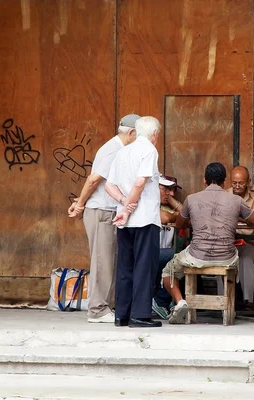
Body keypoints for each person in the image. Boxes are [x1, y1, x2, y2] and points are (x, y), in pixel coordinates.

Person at [161, 162, 254, 324]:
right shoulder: (235, 201)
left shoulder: (192, 199)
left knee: (168, 272)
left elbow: (180, 224)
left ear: (204, 181)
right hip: (227, 257)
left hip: (196, 256)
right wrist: (238, 216)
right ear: (224, 182)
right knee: (240, 254)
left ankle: (180, 302)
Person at [67, 114, 139, 323]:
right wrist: (80, 203)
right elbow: (93, 179)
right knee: (102, 260)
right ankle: (97, 310)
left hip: (108, 212)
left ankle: (104, 306)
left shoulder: (119, 149)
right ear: (131, 133)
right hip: (101, 212)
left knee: (109, 260)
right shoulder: (112, 149)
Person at [105, 116, 163, 328]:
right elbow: (141, 181)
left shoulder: (123, 151)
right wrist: (130, 208)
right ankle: (140, 315)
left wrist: (123, 204)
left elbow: (109, 185)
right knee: (144, 266)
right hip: (144, 218)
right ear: (154, 133)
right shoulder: (149, 150)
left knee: (125, 266)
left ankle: (122, 314)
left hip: (123, 220)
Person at [220, 166, 254, 307]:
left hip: (251, 242)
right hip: (229, 242)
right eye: (234, 183)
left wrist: (238, 217)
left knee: (245, 259)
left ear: (248, 182)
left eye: (241, 183)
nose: (237, 186)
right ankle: (224, 301)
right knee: (220, 260)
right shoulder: (225, 195)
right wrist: (248, 216)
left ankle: (248, 301)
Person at [152, 176, 183, 319]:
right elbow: (165, 218)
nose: (170, 194)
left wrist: (172, 205)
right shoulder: (150, 204)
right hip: (148, 253)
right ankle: (160, 301)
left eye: (173, 190)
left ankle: (164, 301)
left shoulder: (167, 207)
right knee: (177, 256)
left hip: (163, 254)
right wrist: (177, 214)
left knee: (179, 256)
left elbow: (187, 215)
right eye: (166, 190)